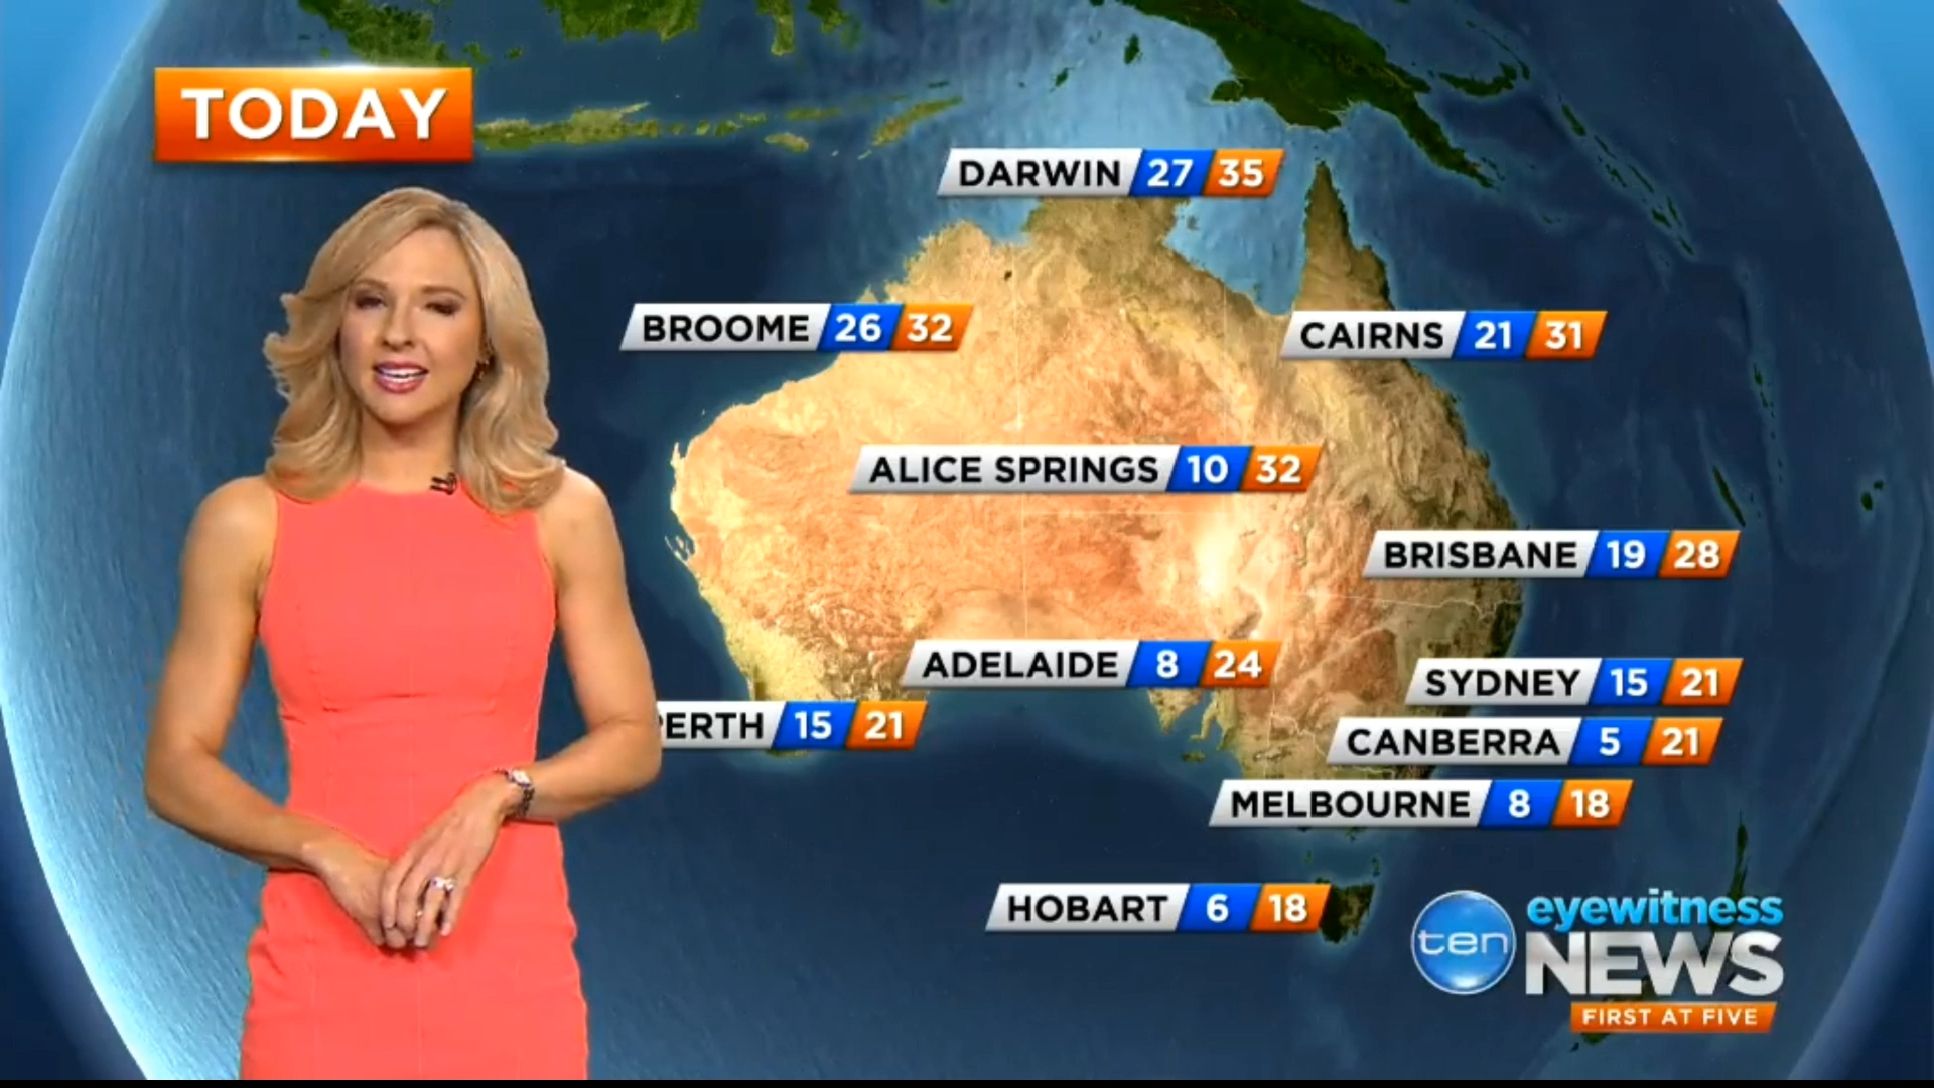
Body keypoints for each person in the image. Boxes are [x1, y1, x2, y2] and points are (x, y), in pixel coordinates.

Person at [142, 186, 664, 1080]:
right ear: (336, 326)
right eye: (371, 301)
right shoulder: (247, 521)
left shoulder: (563, 513)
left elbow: (632, 739)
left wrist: (500, 793)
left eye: (440, 307)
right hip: (319, 989)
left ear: (487, 340)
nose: (398, 335)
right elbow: (176, 767)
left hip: (511, 986)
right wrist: (321, 850)